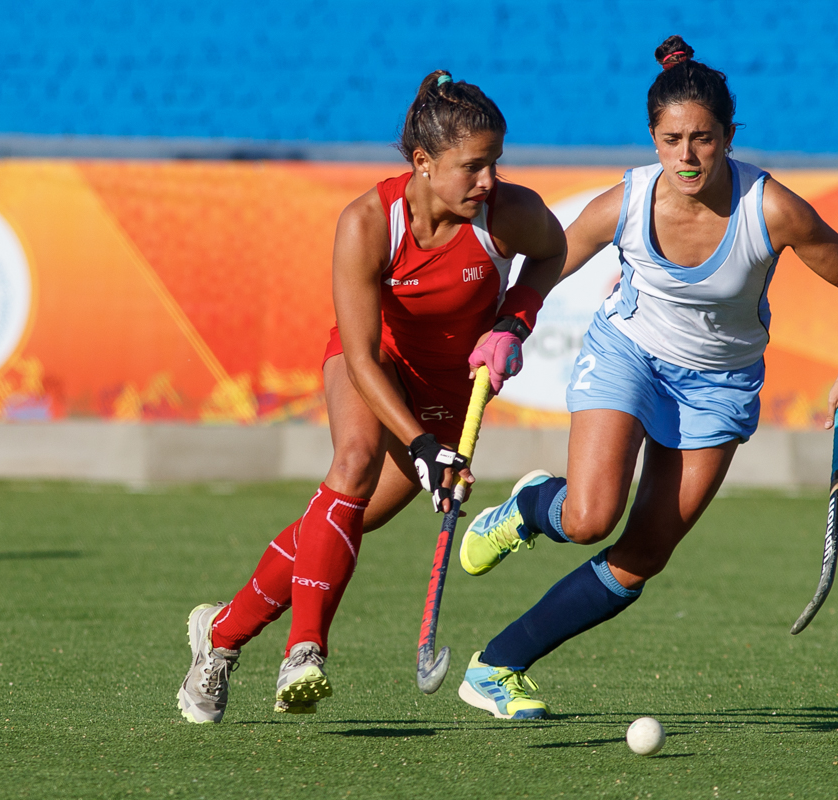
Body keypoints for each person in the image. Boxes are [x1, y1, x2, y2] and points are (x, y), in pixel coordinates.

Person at [455, 36, 838, 720]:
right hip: (630, 354)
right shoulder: (626, 201)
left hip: (720, 385)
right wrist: (507, 325)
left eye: (703, 140)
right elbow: (546, 263)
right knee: (591, 515)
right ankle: (535, 509)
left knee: (644, 554)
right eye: (671, 139)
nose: (686, 157)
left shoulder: (770, 209)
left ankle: (496, 667)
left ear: (728, 136)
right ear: (653, 138)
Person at [177, 70, 566, 723]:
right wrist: (419, 448)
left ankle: (219, 637)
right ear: (423, 162)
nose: (489, 181)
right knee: (352, 463)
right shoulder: (367, 223)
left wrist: (513, 321)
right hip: (375, 363)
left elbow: (552, 252)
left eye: (496, 163)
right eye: (473, 167)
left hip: (448, 388)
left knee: (345, 520)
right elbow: (359, 355)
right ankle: (306, 651)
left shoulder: (508, 214)